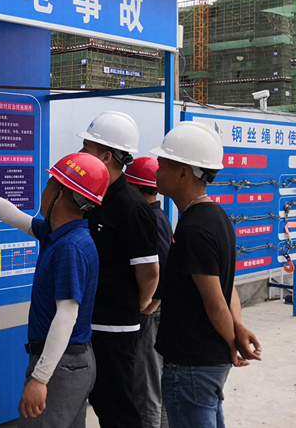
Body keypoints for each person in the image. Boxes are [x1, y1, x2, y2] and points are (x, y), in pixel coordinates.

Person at [0, 153, 109, 427]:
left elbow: (66, 316)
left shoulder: (70, 247)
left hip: (61, 365)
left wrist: (40, 379)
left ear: (60, 194)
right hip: (71, 362)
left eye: (49, 183)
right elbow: (13, 215)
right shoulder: (61, 234)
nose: (44, 189)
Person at [151, 122, 263, 428]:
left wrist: (233, 341)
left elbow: (215, 302)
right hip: (204, 363)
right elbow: (229, 288)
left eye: (162, 165)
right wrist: (237, 328)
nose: (156, 172)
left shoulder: (194, 229)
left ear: (183, 173)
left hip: (192, 365)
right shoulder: (216, 217)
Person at [77, 111, 160, 428]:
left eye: (87, 147)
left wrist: (137, 303)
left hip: (115, 329)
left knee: (117, 409)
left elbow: (149, 272)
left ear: (106, 156)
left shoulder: (131, 206)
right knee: (97, 399)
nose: (81, 153)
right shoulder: (93, 196)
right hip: (89, 321)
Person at [126, 156, 173, 428]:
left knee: (147, 388)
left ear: (133, 187)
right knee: (156, 385)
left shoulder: (147, 219)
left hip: (150, 316)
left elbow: (163, 264)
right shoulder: (159, 215)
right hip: (158, 314)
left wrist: (152, 300)